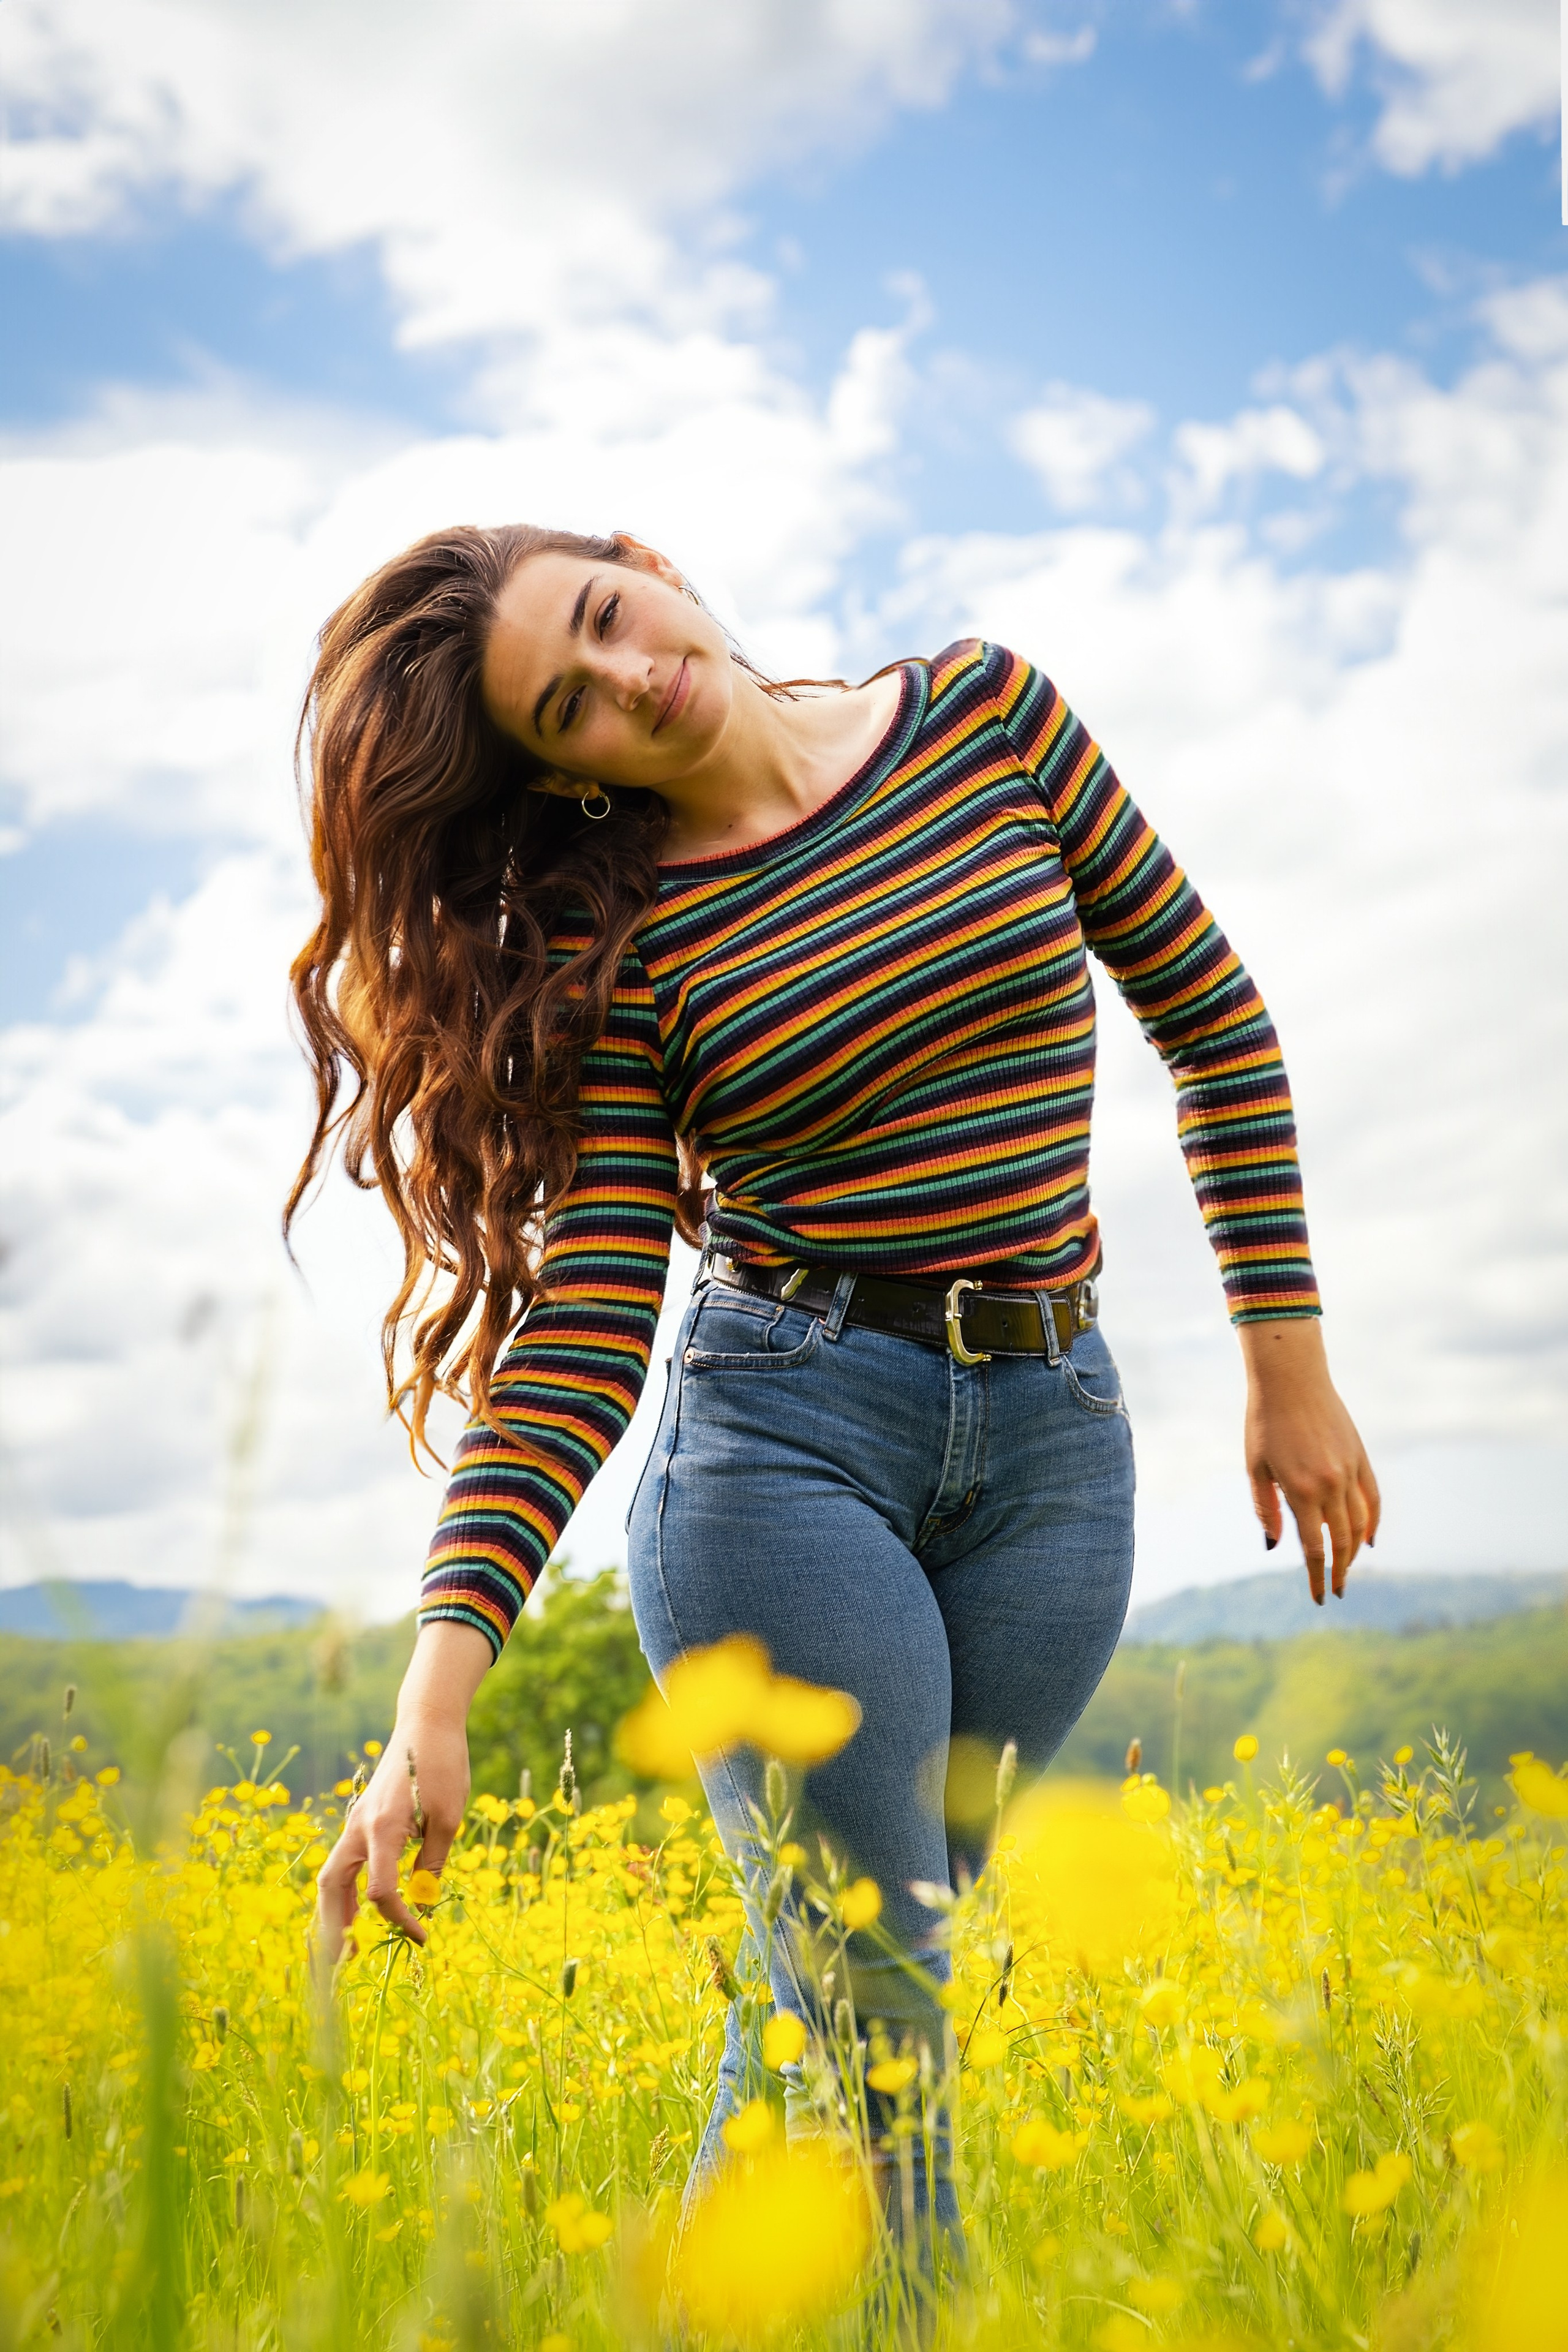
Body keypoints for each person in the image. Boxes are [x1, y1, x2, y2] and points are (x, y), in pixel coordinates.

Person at [298, 522, 1379, 2234]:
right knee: (884, 2006)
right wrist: (440, 1685)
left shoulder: (991, 718)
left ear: (645, 562)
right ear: (560, 771)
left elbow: (1213, 1017)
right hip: (784, 1458)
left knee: (842, 1975)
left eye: (608, 619)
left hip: (1055, 1450)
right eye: (571, 707)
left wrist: (1288, 1371)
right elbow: (588, 1324)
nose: (636, 680)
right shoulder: (625, 931)